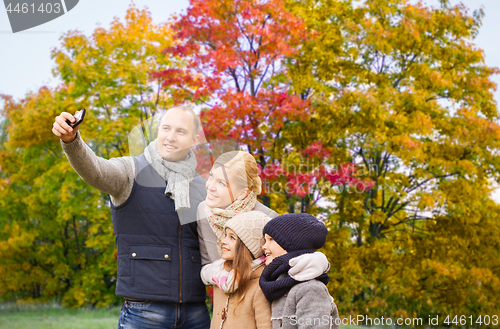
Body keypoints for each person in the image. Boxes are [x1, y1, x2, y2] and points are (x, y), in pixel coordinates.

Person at [52, 106, 210, 329]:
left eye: (180, 131)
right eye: (166, 128)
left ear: (194, 140)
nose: (170, 137)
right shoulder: (131, 170)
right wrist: (72, 141)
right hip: (144, 312)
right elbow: (96, 170)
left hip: (196, 313)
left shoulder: (203, 187)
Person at [196, 151, 329, 281]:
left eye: (221, 183)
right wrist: (218, 274)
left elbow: (292, 260)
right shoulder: (203, 211)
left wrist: (319, 261)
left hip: (258, 295)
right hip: (224, 296)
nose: (210, 186)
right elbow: (206, 263)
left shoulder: (268, 218)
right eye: (211, 176)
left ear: (242, 193)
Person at [259, 213, 340, 329]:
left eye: (271, 239)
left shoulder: (310, 289)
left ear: (292, 244)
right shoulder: (279, 286)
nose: (264, 246)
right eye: (265, 240)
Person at [202, 211, 273, 329]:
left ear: (248, 246)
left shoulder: (260, 286)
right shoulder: (220, 278)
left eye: (232, 238)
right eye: (225, 235)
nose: (223, 241)